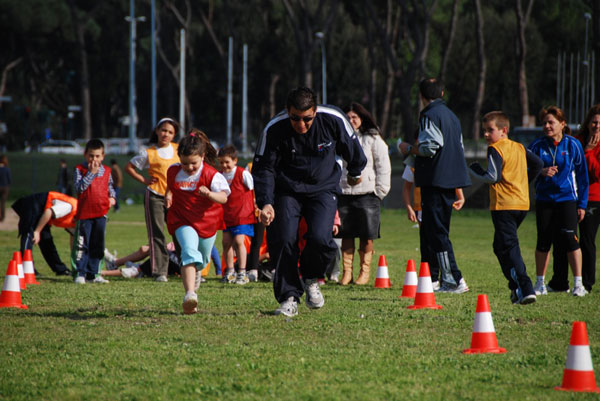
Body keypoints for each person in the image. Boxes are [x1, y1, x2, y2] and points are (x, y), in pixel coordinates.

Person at [252, 87, 367, 317]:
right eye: (295, 118)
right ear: (287, 111)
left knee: (320, 238)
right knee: (283, 238)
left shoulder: (333, 119)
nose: (301, 125)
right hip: (287, 190)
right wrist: (265, 203)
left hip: (322, 189)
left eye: (307, 119)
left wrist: (355, 171)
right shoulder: (274, 129)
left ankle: (311, 278)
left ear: (315, 111)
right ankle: (288, 297)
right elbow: (264, 168)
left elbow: (353, 150)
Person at [398, 78, 471, 293]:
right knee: (433, 230)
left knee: (437, 232)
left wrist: (408, 148)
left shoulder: (429, 115)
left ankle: (454, 280)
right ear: (442, 93)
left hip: (435, 180)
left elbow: (430, 147)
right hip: (449, 179)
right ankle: (434, 278)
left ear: (421, 96)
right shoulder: (452, 116)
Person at [468, 111, 543, 304]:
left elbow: (493, 176)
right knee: (500, 246)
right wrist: (525, 183)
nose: (486, 134)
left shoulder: (496, 148)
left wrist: (476, 170)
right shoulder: (518, 147)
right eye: (484, 130)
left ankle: (525, 288)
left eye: (490, 130)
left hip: (504, 205)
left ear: (504, 130)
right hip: (522, 204)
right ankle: (516, 287)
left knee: (509, 245)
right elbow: (538, 163)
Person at [165, 130, 229, 315]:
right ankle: (189, 295)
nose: (189, 168)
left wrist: (210, 194)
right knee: (188, 251)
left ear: (202, 156)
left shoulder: (212, 175)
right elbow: (171, 185)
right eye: (185, 163)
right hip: (182, 220)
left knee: (202, 259)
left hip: (207, 223)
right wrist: (169, 195)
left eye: (193, 163)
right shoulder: (174, 171)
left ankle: (197, 272)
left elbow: (224, 197)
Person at [528, 106, 588, 297]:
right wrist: (541, 171)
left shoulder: (573, 145)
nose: (546, 126)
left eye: (551, 122)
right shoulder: (536, 146)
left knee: (571, 240)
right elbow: (524, 172)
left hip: (567, 200)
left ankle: (578, 284)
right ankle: (540, 283)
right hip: (544, 200)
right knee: (543, 241)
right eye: (544, 123)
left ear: (562, 124)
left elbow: (582, 177)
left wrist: (582, 204)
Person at [338, 102, 391, 285]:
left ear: (362, 119)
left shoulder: (372, 138)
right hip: (344, 192)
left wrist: (380, 191)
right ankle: (347, 273)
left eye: (355, 117)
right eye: (348, 117)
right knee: (346, 234)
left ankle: (364, 272)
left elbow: (383, 165)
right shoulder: (339, 137)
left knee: (367, 234)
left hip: (368, 194)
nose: (351, 120)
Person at [126, 117, 180, 282]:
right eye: (163, 130)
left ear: (174, 135)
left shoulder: (179, 149)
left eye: (170, 132)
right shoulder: (148, 153)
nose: (166, 134)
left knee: (180, 232)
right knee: (157, 234)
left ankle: (187, 268)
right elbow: (129, 167)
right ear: (157, 131)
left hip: (176, 197)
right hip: (155, 195)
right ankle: (160, 272)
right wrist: (144, 180)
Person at [72, 139, 116, 284]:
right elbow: (79, 188)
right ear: (85, 155)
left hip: (101, 214)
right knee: (82, 244)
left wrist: (112, 198)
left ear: (103, 156)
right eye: (91, 156)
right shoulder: (79, 170)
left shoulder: (107, 171)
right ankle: (80, 273)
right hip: (84, 214)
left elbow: (110, 188)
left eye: (97, 156)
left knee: (98, 245)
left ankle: (94, 273)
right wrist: (91, 173)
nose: (94, 159)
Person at [11, 191, 77, 276]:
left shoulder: (79, 221)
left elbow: (73, 237)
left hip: (42, 213)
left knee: (46, 239)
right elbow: (49, 212)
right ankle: (27, 269)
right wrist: (37, 231)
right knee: (29, 234)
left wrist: (74, 260)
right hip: (33, 204)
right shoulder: (70, 206)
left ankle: (61, 270)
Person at [218, 145, 256, 284]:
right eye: (221, 162)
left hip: (242, 214)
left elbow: (252, 190)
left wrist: (256, 205)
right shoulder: (219, 176)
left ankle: (242, 272)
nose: (224, 165)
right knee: (226, 242)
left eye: (227, 162)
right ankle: (230, 272)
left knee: (239, 241)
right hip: (227, 215)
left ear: (235, 160)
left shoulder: (243, 174)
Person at [576, 105, 600, 293]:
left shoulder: (591, 147)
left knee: (588, 241)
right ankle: (584, 282)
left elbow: (596, 173)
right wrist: (586, 150)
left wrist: (589, 152)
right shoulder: (579, 141)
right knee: (585, 240)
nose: (596, 125)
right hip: (584, 198)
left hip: (596, 197)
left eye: (599, 122)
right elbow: (576, 169)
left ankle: (587, 281)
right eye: (594, 121)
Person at [0, 155, 10, 222]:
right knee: (3, 203)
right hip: (5, 187)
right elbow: (9, 179)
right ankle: (2, 217)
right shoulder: (7, 169)